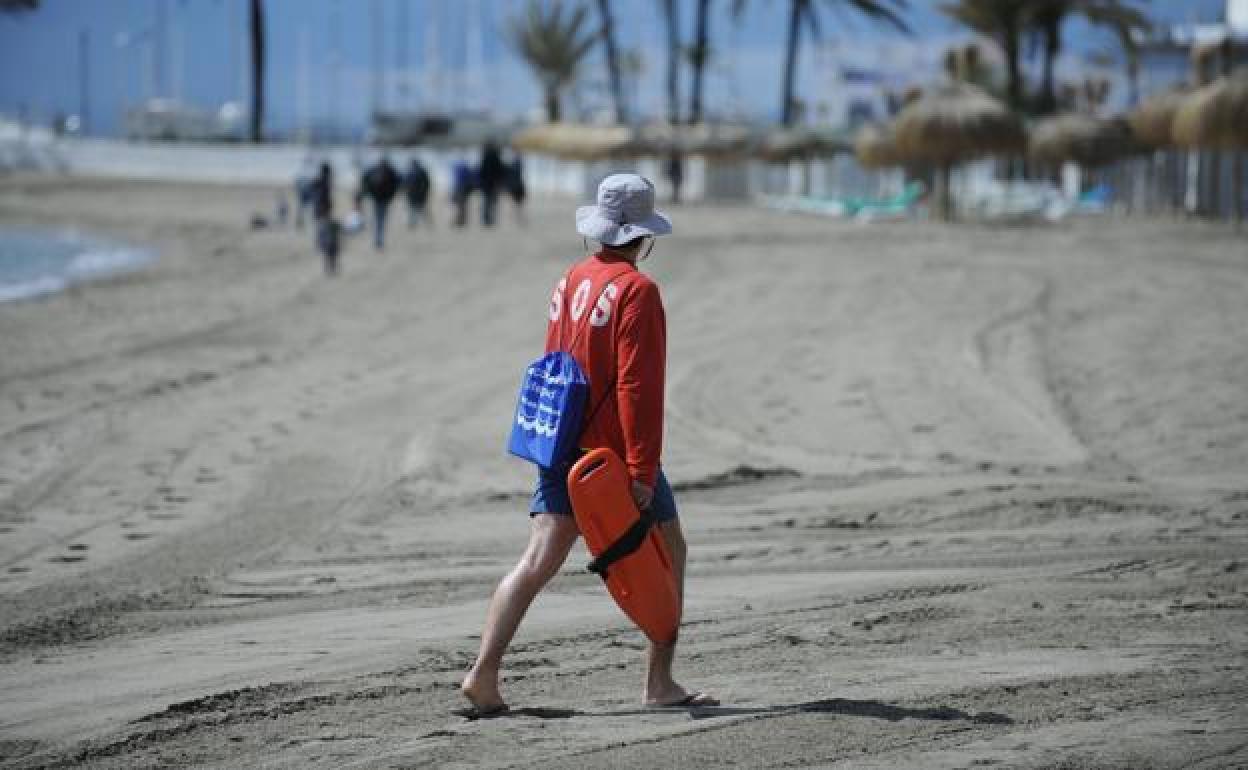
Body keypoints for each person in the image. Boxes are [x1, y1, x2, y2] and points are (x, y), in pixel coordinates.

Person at [461, 173, 717, 716]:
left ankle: (482, 675)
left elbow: (556, 359)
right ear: (643, 236)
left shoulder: (570, 279)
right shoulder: (638, 291)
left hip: (560, 441)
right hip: (612, 457)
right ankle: (659, 682)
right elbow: (636, 387)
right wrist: (642, 471)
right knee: (671, 552)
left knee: (535, 561)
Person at [359, 155, 401, 250]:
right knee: (381, 219)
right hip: (384, 199)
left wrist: (367, 194)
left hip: (376, 198)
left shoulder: (373, 170)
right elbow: (398, 183)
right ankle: (379, 239)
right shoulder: (390, 171)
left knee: (377, 219)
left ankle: (377, 239)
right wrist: (392, 196)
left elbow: (365, 181)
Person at [310, 162, 340, 276]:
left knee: (324, 236)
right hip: (324, 213)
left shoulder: (317, 181)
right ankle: (330, 264)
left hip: (318, 212)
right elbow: (324, 199)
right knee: (329, 240)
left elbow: (313, 196)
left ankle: (322, 249)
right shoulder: (325, 183)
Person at [478, 141, 507, 227]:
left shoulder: (485, 156)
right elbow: (500, 170)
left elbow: (481, 171)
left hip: (486, 184)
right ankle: (490, 219)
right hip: (494, 183)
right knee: (492, 202)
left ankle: (486, 219)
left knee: (486, 202)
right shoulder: (495, 156)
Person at [403, 156, 432, 229]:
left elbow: (406, 184)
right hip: (418, 195)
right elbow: (427, 184)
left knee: (414, 209)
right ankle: (417, 223)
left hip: (414, 194)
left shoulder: (411, 172)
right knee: (418, 210)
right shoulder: (421, 172)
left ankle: (413, 223)